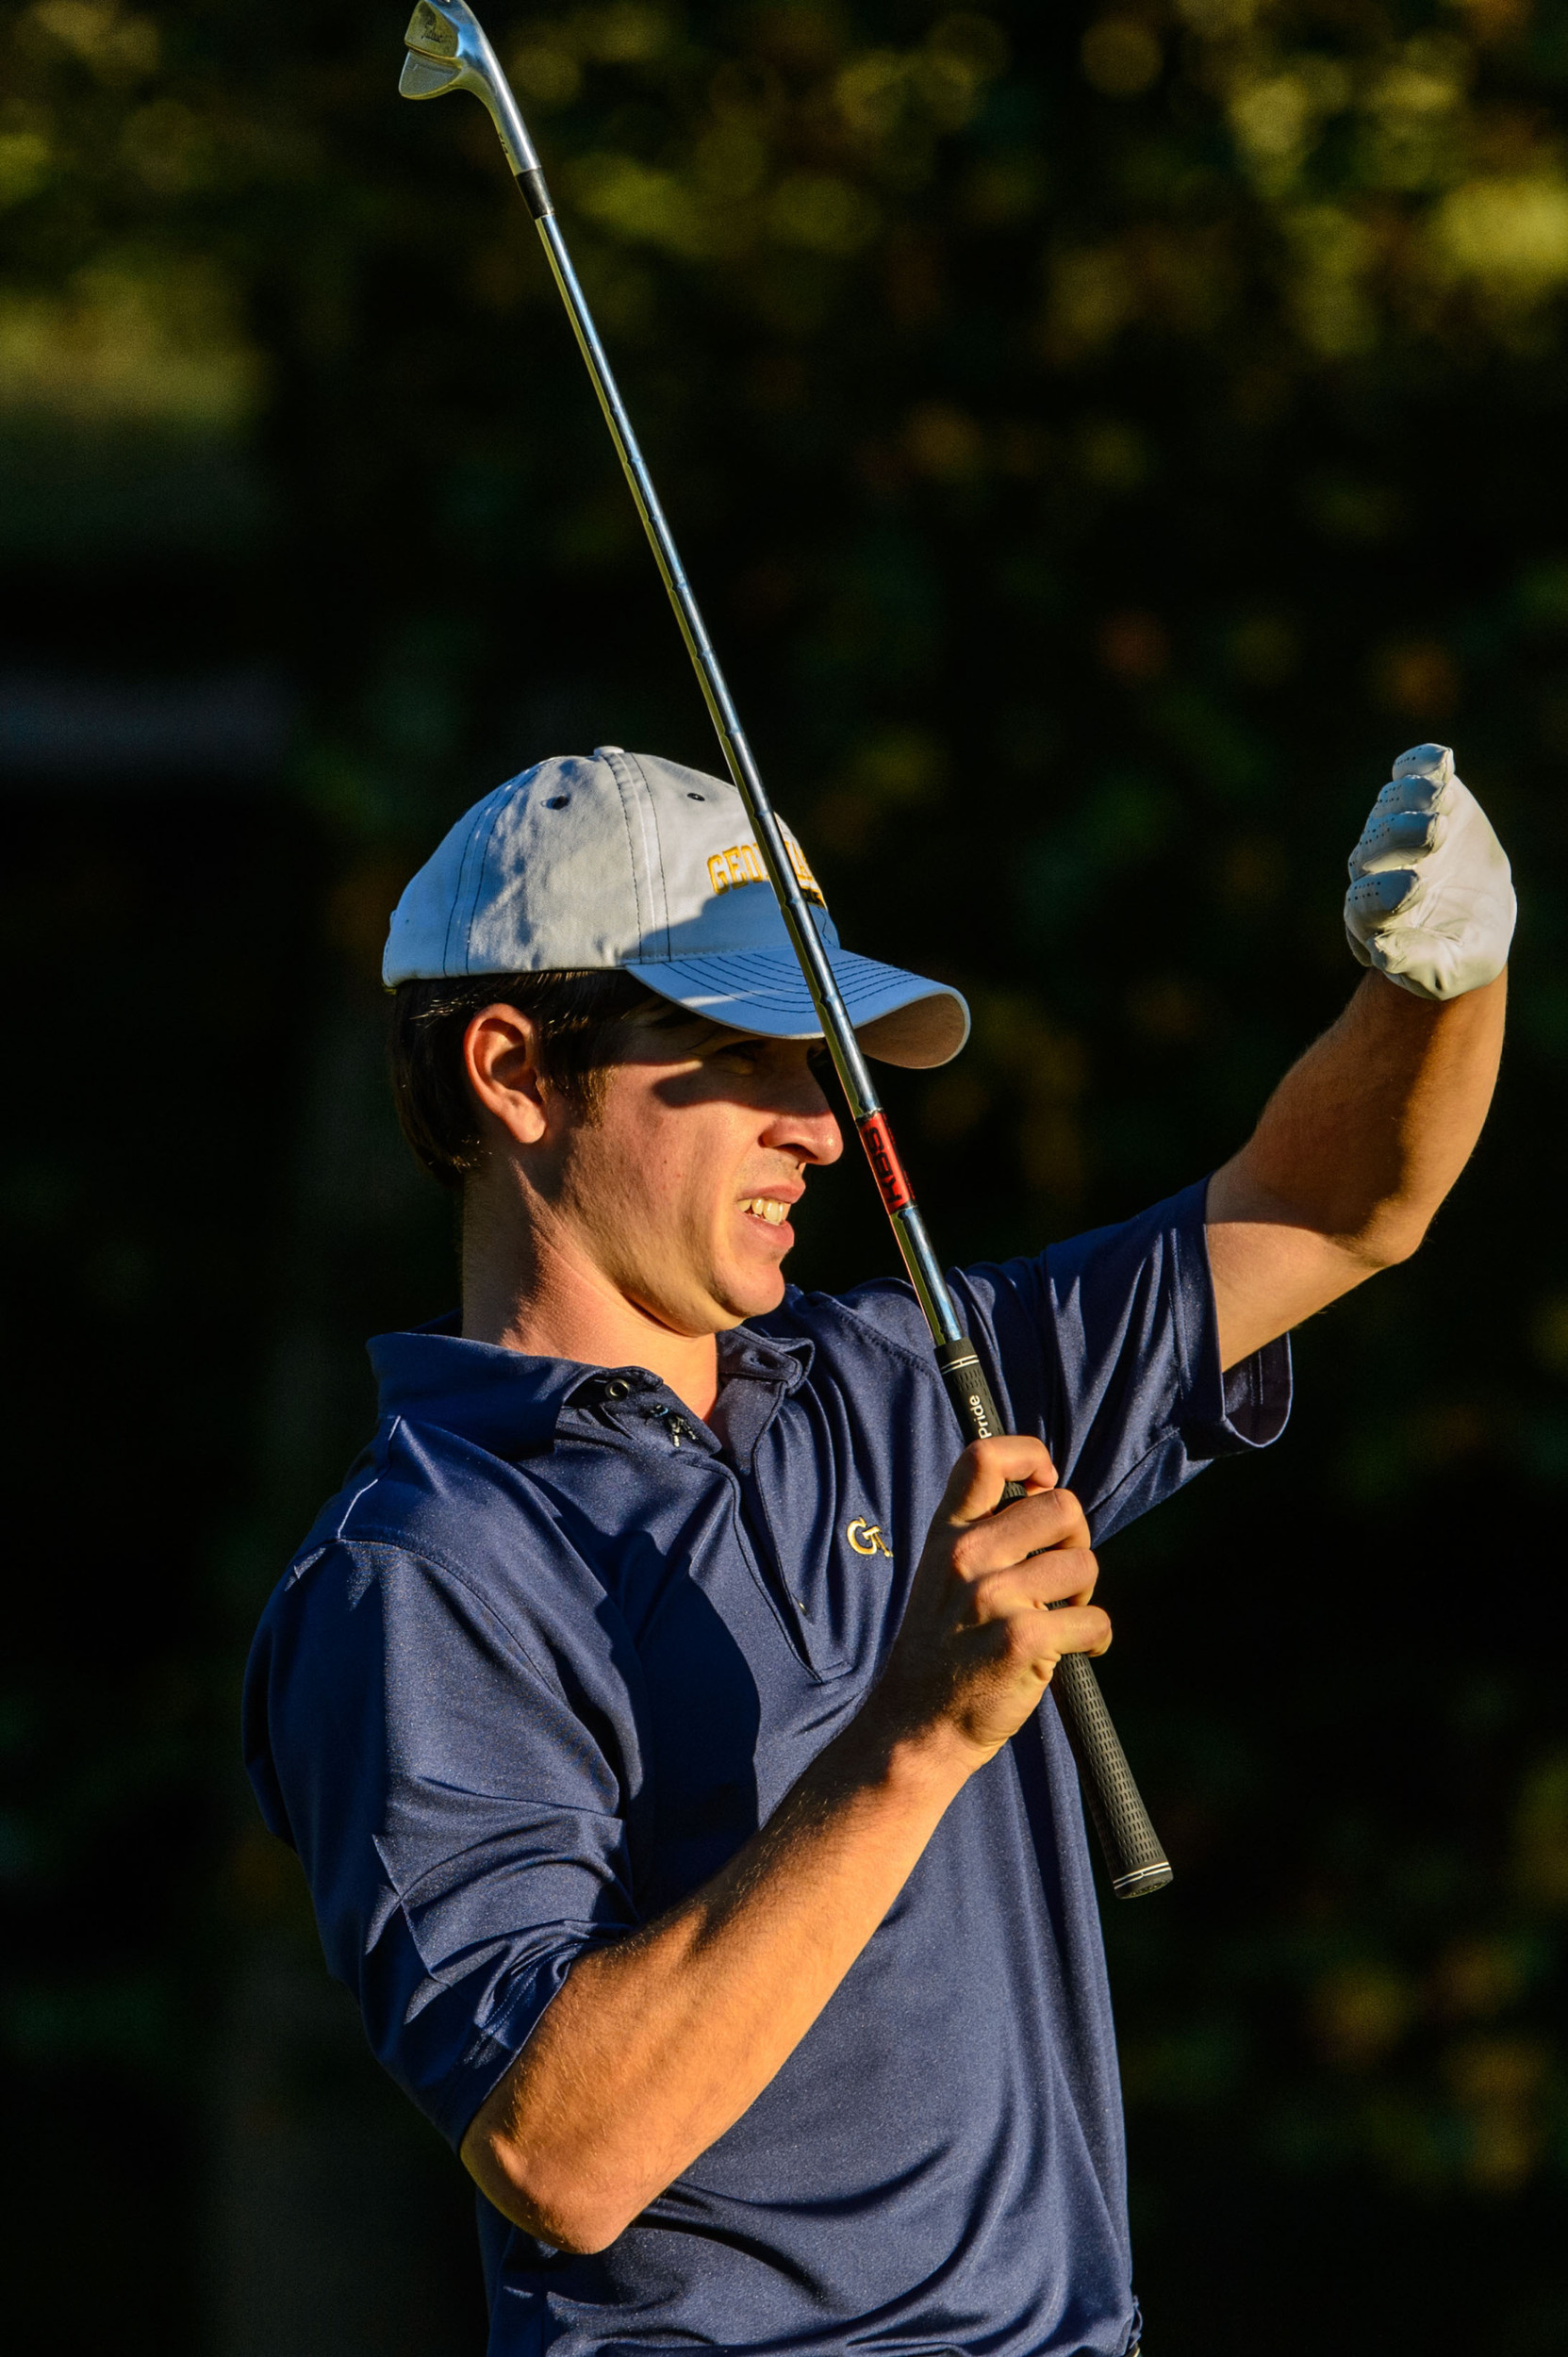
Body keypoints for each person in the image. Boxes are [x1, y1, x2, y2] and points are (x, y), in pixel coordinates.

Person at [243, 738, 1512, 2357]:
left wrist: (1441, 983)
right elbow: (559, 2153)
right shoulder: (416, 1569)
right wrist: (918, 1734)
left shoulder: (911, 1369)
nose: (823, 1128)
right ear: (513, 1072)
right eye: (748, 1053)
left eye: (820, 1056)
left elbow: (1338, 1210)